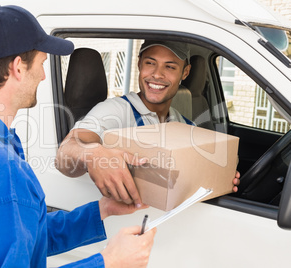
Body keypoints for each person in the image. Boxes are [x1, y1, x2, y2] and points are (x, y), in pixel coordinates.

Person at [0, 5, 157, 268]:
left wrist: (100, 211)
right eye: (42, 63)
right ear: (18, 68)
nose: (44, 76)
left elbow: (21, 234)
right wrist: (109, 262)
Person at [56, 40, 241, 208]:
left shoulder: (185, 125)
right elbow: (65, 153)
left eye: (170, 67)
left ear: (185, 72)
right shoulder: (115, 110)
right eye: (150, 63)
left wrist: (219, 177)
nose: (157, 75)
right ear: (139, 64)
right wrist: (93, 155)